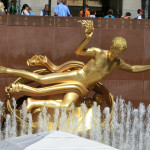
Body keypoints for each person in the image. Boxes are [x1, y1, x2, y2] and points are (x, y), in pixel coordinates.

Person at [1, 20, 150, 112]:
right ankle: (7, 70)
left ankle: (32, 103)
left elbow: (133, 68)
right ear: (111, 46)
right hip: (77, 76)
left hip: (82, 88)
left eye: (119, 52)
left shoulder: (118, 63)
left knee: (66, 107)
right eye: (115, 50)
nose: (116, 53)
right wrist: (87, 38)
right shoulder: (99, 53)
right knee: (42, 80)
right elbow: (78, 51)